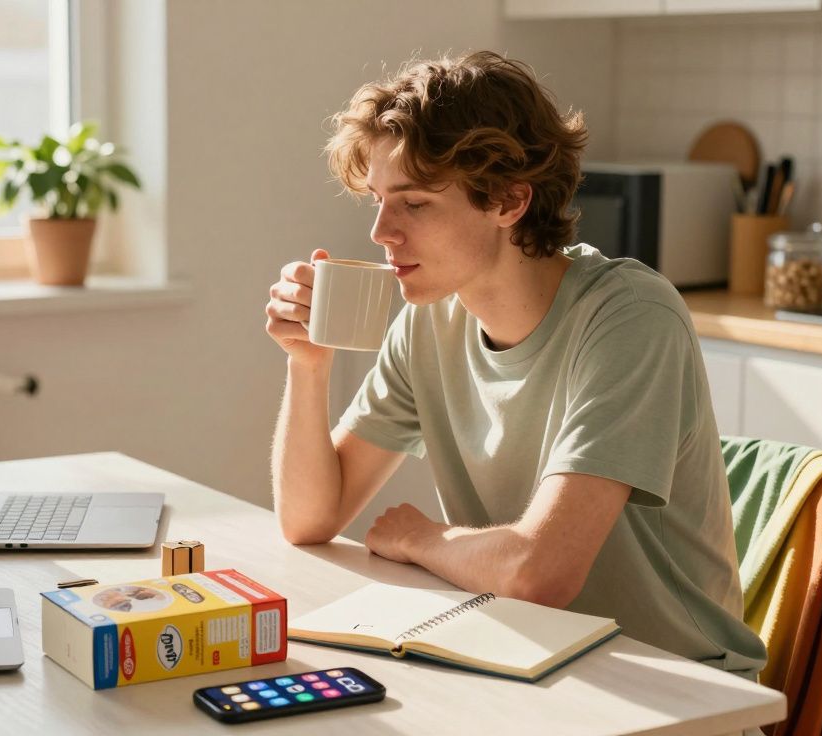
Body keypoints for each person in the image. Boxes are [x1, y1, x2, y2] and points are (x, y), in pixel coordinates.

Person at [263, 51, 766, 678]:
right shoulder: (430, 321)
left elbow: (539, 572)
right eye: (377, 201)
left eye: (413, 204)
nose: (380, 232)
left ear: (508, 201)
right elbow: (309, 519)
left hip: (678, 688)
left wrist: (423, 538)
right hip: (523, 658)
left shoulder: (630, 317)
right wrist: (307, 366)